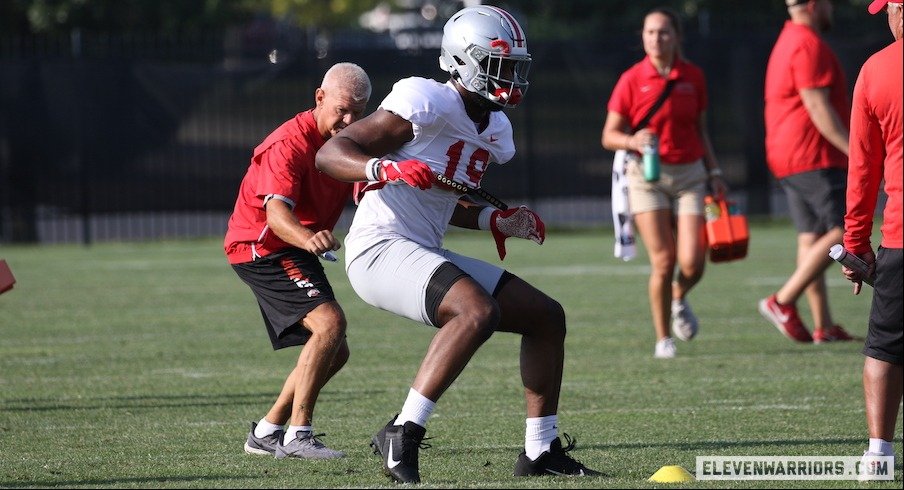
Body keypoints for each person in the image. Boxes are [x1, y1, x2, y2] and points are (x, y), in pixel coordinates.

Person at [315, 5, 599, 484]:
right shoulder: (424, 101)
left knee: (546, 317)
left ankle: (540, 450)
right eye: (498, 64)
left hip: (422, 249)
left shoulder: (495, 129)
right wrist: (383, 168)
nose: (509, 76)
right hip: (379, 248)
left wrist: (495, 219)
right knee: (476, 311)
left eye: (513, 65)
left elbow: (444, 198)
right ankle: (403, 431)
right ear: (464, 61)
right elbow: (331, 154)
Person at [223, 62, 371, 459]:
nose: (349, 120)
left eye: (359, 112)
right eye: (342, 109)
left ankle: (268, 432)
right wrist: (309, 236)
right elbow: (276, 216)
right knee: (330, 323)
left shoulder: (349, 143)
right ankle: (299, 436)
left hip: (294, 246)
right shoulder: (288, 143)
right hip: (263, 247)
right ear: (319, 98)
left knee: (334, 349)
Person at [600, 7, 728, 359]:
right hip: (646, 176)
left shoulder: (693, 76)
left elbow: (701, 131)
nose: (656, 38)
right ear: (643, 37)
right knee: (664, 259)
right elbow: (609, 136)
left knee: (693, 263)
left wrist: (715, 173)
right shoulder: (631, 78)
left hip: (690, 174)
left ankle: (678, 296)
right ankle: (663, 339)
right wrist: (633, 141)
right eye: (650, 32)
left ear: (677, 36)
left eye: (664, 32)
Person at [758, 0, 854, 344]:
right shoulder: (807, 44)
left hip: (789, 155)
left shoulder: (788, 39)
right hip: (812, 154)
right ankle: (782, 301)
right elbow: (817, 106)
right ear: (814, 4)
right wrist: (855, 150)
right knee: (844, 229)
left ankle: (824, 326)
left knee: (811, 239)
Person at [841, 0, 902, 475]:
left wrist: (856, 241)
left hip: (901, 238)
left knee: (884, 347)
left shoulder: (876, 70)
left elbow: (864, 167)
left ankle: (878, 453)